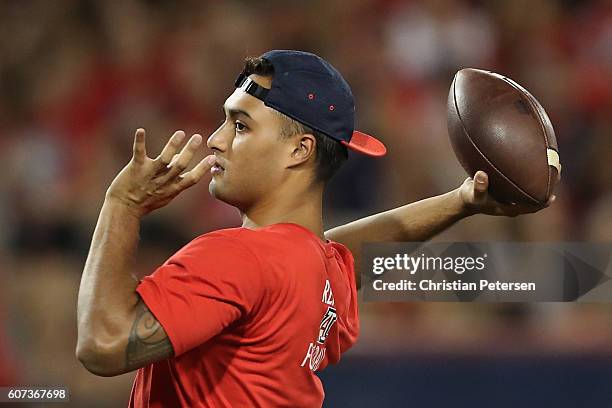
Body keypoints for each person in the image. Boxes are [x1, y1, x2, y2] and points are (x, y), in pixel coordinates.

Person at [76, 50, 553, 407]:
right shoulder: (319, 270)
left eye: (240, 126)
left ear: (299, 150)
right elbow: (342, 254)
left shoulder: (237, 258)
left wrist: (122, 204)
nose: (216, 140)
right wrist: (460, 201)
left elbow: (103, 344)